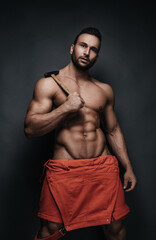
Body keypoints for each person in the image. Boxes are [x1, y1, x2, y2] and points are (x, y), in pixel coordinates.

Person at [24, 27, 137, 240]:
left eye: (94, 49)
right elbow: (30, 129)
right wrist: (65, 108)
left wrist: (127, 167)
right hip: (65, 171)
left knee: (115, 228)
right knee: (51, 229)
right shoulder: (49, 84)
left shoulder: (104, 90)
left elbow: (112, 129)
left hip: (102, 168)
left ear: (97, 55)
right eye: (83, 46)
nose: (87, 52)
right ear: (72, 48)